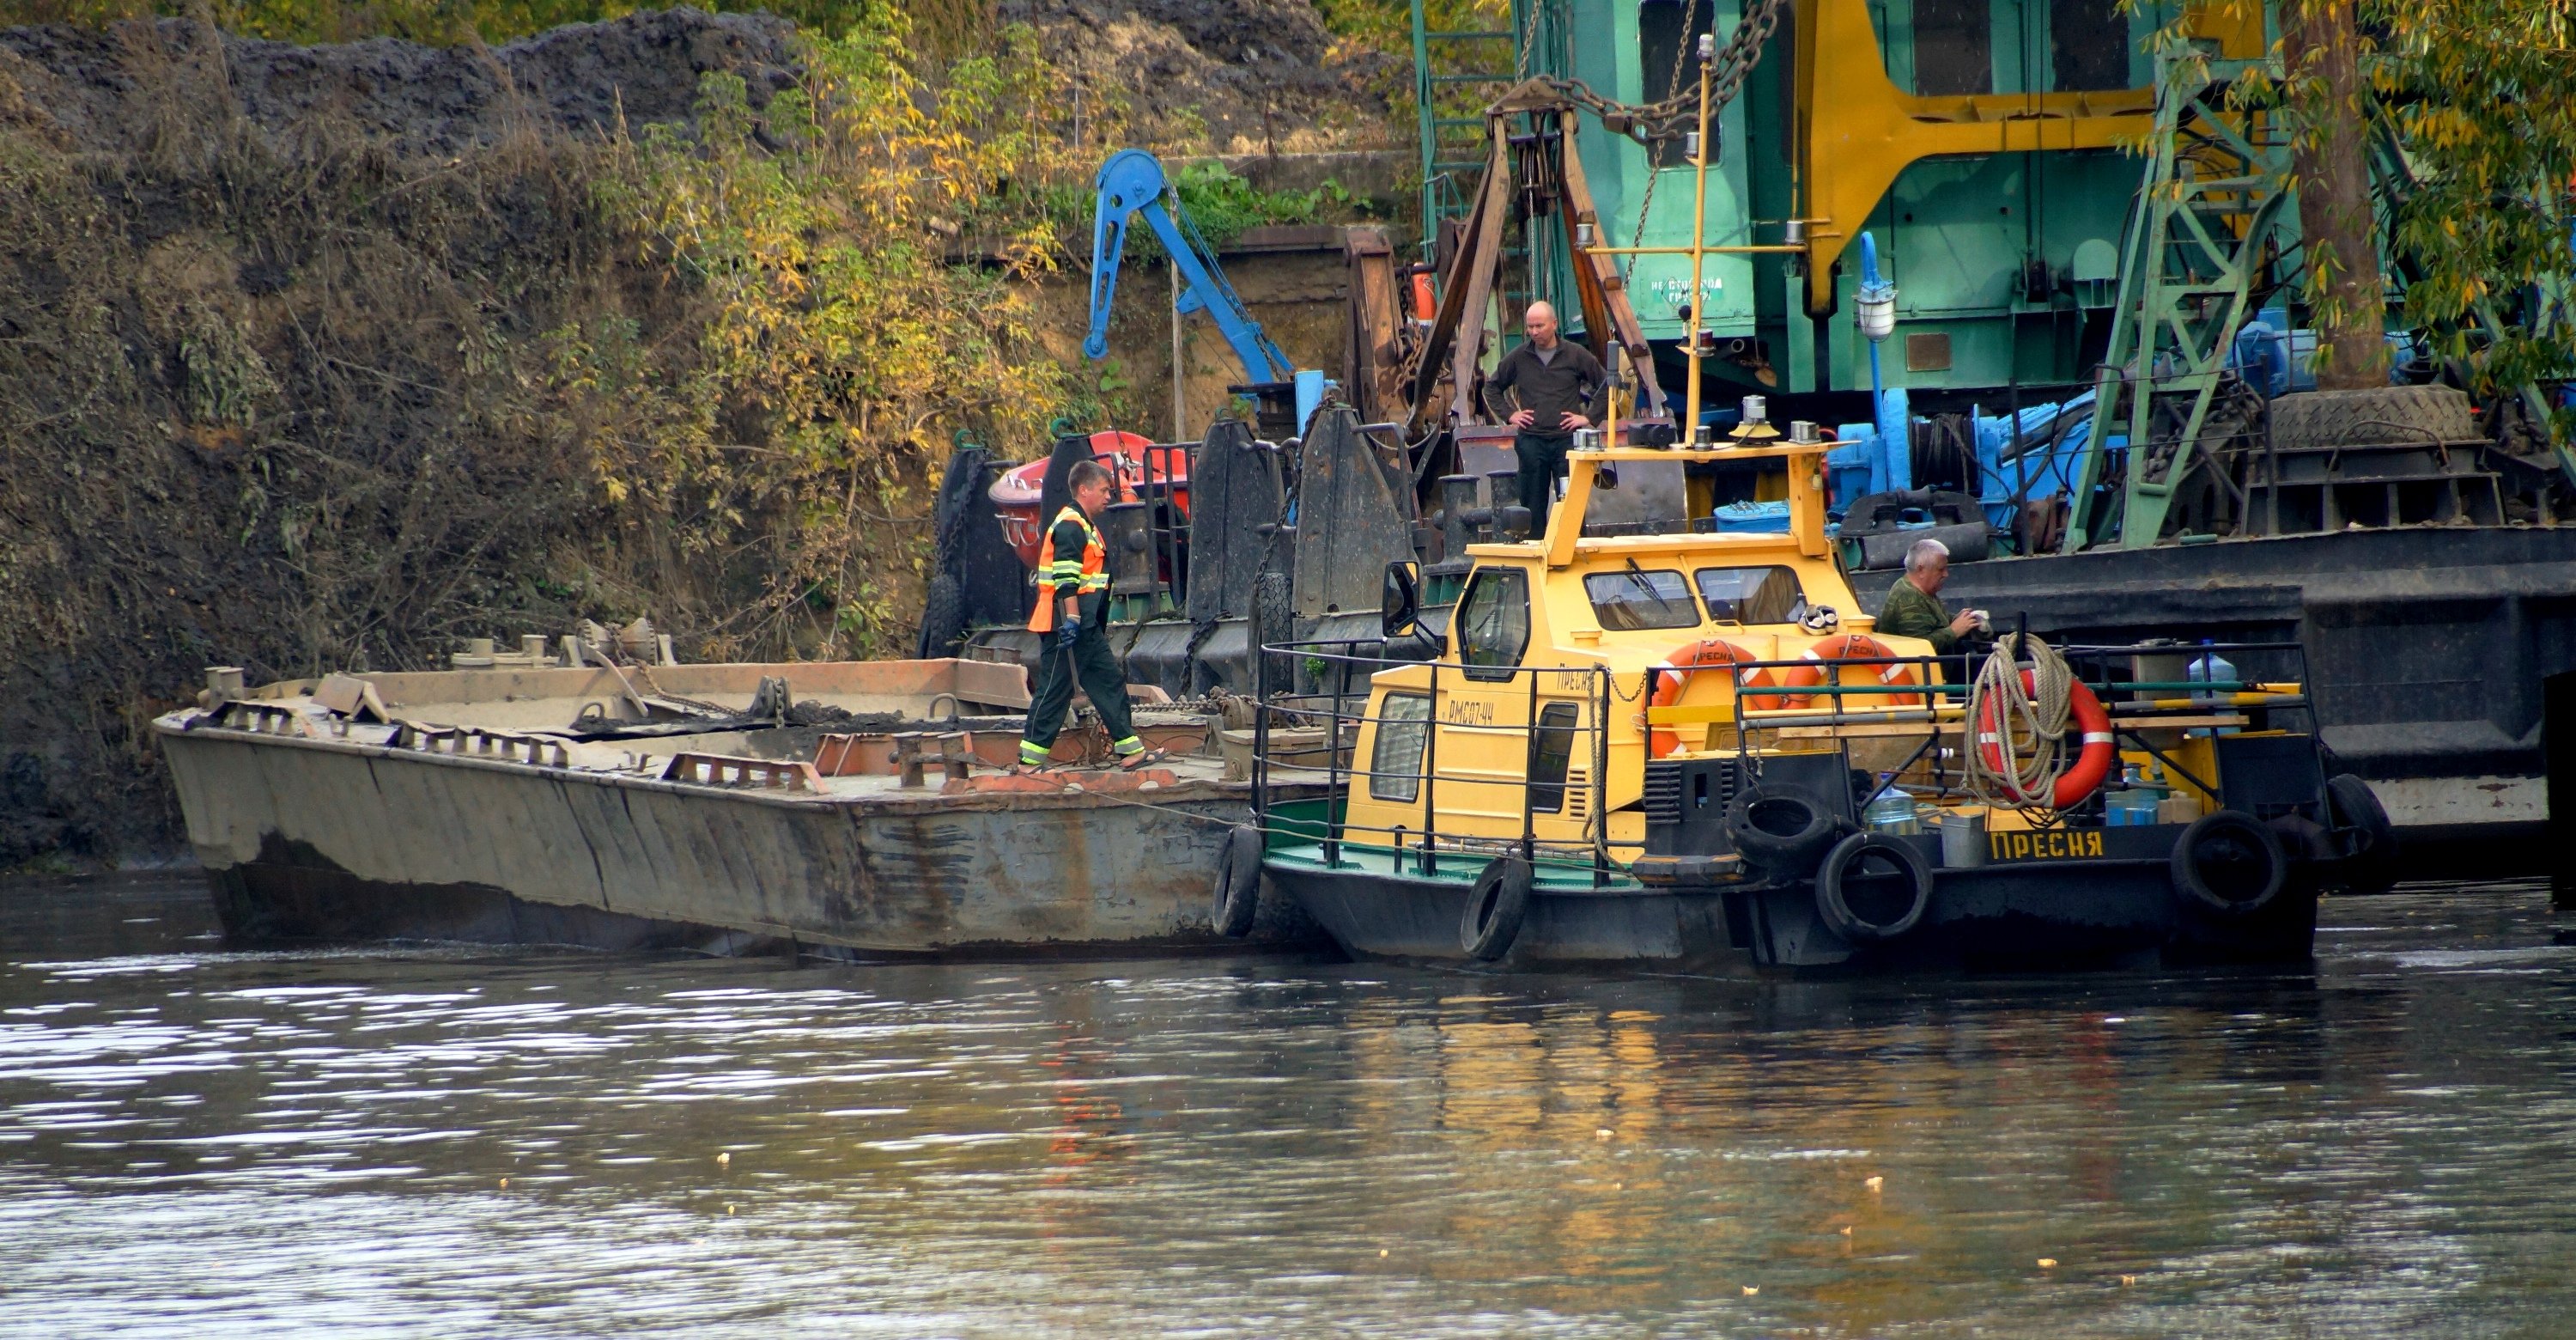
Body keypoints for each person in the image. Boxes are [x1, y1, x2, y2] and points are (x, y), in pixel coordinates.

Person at [1018, 460, 1153, 770]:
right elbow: (1066, 579)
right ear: (1084, 490)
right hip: (1066, 626)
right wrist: (1073, 620)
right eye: (1104, 490)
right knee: (1055, 689)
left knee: (1108, 682)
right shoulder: (1070, 526)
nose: (1108, 496)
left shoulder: (1084, 525)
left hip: (1083, 626)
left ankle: (1130, 749)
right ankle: (1029, 761)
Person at [1485, 301, 1606, 537]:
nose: (1534, 331)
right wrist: (1510, 414)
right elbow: (1492, 387)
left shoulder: (1575, 354)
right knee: (1532, 508)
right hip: (1532, 442)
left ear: (1554, 324)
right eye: (1530, 326)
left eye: (1539, 326)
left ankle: (1573, 549)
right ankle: (1535, 552)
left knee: (1571, 505)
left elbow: (1607, 384)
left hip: (1567, 443)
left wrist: (1589, 417)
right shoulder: (1519, 357)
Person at [1876, 537, 1983, 654]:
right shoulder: (1908, 598)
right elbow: (1919, 647)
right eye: (1941, 569)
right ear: (1921, 570)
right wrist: (1954, 631)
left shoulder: (1924, 590)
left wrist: (1959, 620)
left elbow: (1932, 622)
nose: (1946, 574)